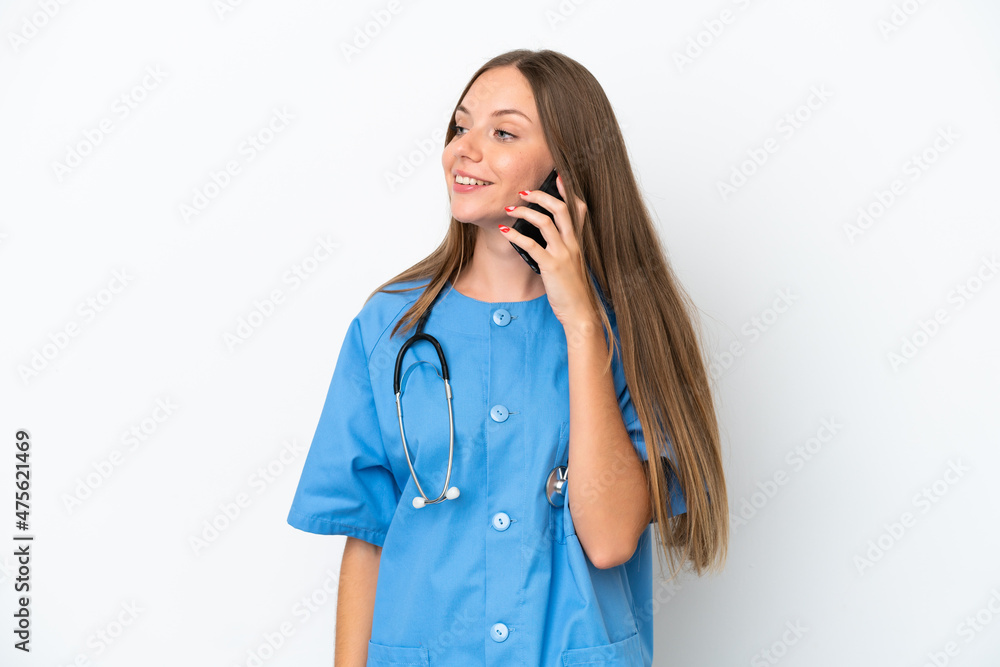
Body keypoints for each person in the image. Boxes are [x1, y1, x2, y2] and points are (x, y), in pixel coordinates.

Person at [286, 48, 729, 667]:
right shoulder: (387, 324)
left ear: (566, 171)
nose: (464, 149)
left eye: (502, 133)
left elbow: (608, 540)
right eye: (461, 126)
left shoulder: (626, 326)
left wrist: (579, 322)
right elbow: (370, 537)